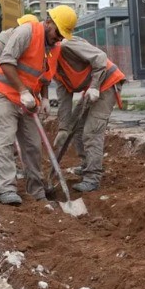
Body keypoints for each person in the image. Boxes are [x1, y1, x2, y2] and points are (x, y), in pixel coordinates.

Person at [0, 5, 76, 206]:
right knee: (7, 140)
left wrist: (44, 98)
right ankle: (6, 189)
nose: (59, 38)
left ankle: (36, 191)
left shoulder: (55, 48)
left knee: (33, 146)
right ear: (49, 22)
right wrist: (23, 91)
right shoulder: (26, 32)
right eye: (58, 33)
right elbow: (6, 62)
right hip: (4, 95)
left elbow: (44, 78)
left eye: (63, 36)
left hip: (28, 102)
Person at [53, 36, 126, 192]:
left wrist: (94, 86)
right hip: (93, 89)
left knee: (92, 131)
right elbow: (64, 99)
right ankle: (87, 164)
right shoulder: (53, 67)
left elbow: (100, 57)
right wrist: (63, 128)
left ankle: (93, 178)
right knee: (76, 127)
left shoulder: (67, 46)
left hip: (107, 83)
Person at [0, 13, 39, 176]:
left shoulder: (23, 43)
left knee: (9, 129)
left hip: (9, 90)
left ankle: (8, 163)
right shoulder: (0, 44)